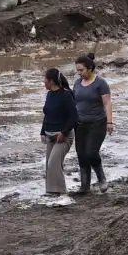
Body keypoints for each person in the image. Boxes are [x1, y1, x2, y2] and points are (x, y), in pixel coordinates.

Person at [70, 52, 113, 194]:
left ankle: (102, 179)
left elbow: (107, 103)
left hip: (97, 123)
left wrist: (110, 122)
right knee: (81, 154)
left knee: (91, 153)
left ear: (89, 68)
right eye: (77, 70)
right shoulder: (77, 83)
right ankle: (84, 186)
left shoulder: (101, 83)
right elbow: (73, 102)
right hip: (80, 124)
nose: (79, 73)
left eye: (81, 70)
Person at [40, 68, 77, 197]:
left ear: (51, 81)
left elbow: (74, 117)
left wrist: (64, 132)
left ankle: (61, 193)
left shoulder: (66, 95)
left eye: (45, 79)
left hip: (63, 137)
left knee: (53, 163)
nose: (43, 82)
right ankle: (51, 192)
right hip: (50, 135)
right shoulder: (49, 95)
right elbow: (47, 115)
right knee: (49, 164)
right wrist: (42, 132)